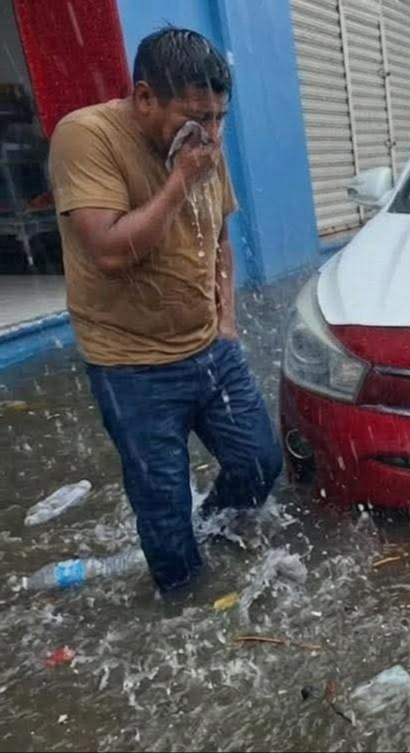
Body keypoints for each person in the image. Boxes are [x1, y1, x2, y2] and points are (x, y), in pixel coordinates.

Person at [47, 27, 282, 594]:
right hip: (130, 365)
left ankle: (216, 530)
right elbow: (107, 250)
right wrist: (180, 180)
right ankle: (184, 603)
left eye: (221, 117)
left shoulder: (203, 146)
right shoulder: (86, 137)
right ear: (146, 97)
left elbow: (221, 241)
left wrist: (227, 322)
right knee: (162, 507)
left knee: (259, 462)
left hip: (209, 347)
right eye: (197, 116)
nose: (212, 132)